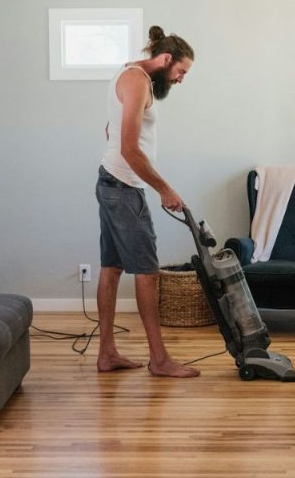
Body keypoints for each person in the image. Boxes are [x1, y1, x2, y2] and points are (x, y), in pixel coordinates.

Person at [94, 25, 199, 378]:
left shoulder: (131, 74)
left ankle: (107, 353)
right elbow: (127, 146)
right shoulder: (137, 80)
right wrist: (164, 189)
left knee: (111, 267)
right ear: (166, 59)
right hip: (123, 187)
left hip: (113, 181)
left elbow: (113, 132)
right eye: (181, 71)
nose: (181, 79)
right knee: (148, 272)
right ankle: (159, 359)